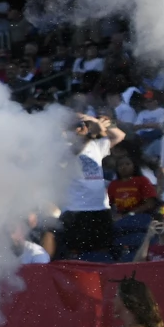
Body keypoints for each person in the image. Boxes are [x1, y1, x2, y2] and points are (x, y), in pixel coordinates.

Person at [53, 106, 119, 260]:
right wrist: (92, 133)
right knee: (77, 253)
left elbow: (119, 136)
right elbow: (74, 151)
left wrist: (98, 121)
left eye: (83, 125)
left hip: (100, 207)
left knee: (103, 249)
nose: (82, 127)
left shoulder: (95, 145)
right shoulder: (63, 147)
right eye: (78, 125)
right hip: (77, 209)